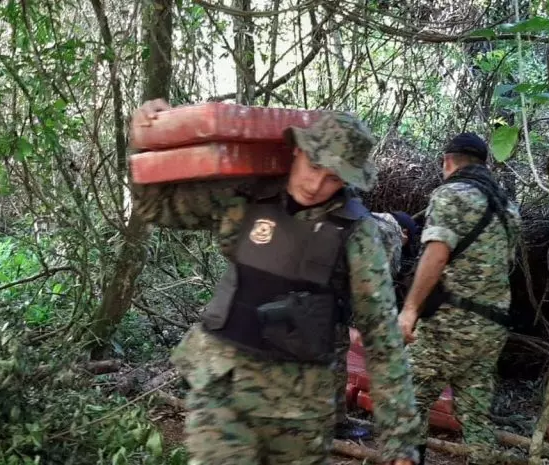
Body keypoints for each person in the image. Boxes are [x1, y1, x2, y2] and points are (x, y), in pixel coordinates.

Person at [130, 99, 420, 465]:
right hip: (223, 386)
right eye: (314, 166)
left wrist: (400, 441)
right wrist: (142, 140)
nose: (317, 184)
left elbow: (382, 337)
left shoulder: (358, 234)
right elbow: (156, 208)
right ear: (298, 150)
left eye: (334, 178)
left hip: (300, 408)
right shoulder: (246, 197)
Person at [397, 132, 521, 464]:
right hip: (492, 326)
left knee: (408, 400)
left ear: (448, 162)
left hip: (450, 324)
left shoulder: (451, 194)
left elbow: (436, 255)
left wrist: (410, 310)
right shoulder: (508, 208)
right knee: (475, 414)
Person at [333, 211, 405, 440]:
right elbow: (374, 284)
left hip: (307, 295)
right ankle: (335, 422)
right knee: (335, 357)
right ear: (404, 234)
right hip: (330, 302)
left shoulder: (357, 218)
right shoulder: (388, 234)